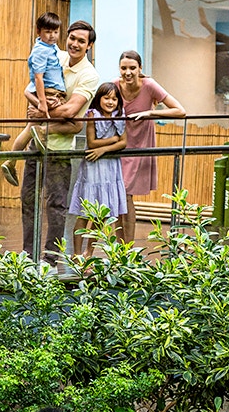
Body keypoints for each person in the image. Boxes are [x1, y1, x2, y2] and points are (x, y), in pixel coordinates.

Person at [21, 20, 99, 264]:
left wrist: (40, 112)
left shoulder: (89, 75)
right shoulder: (55, 54)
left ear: (89, 46)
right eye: (72, 38)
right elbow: (31, 88)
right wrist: (44, 106)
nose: (75, 44)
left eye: (81, 41)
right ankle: (28, 255)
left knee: (56, 204)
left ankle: (50, 259)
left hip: (59, 148)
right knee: (28, 198)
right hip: (36, 141)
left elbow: (71, 111)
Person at [115, 50, 186, 243]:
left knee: (126, 194)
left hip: (140, 144)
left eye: (132, 68)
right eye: (124, 68)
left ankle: (126, 248)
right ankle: (119, 246)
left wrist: (150, 113)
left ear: (140, 69)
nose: (128, 72)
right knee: (119, 196)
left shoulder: (149, 85)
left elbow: (180, 110)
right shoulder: (114, 86)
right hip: (118, 144)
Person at [1, 12, 66, 188]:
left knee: (29, 129)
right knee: (41, 128)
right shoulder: (40, 50)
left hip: (46, 93)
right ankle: (14, 160)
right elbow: (38, 78)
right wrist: (43, 102)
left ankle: (10, 162)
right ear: (38, 31)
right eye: (47, 32)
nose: (52, 35)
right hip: (49, 93)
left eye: (55, 32)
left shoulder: (50, 48)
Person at [67, 81, 128, 256]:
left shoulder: (119, 116)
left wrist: (104, 149)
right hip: (94, 168)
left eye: (114, 99)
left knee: (101, 214)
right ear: (99, 99)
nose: (110, 102)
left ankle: (89, 252)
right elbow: (92, 142)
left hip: (110, 167)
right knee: (86, 212)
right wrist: (112, 141)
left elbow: (124, 142)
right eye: (106, 98)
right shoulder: (92, 114)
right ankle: (76, 253)